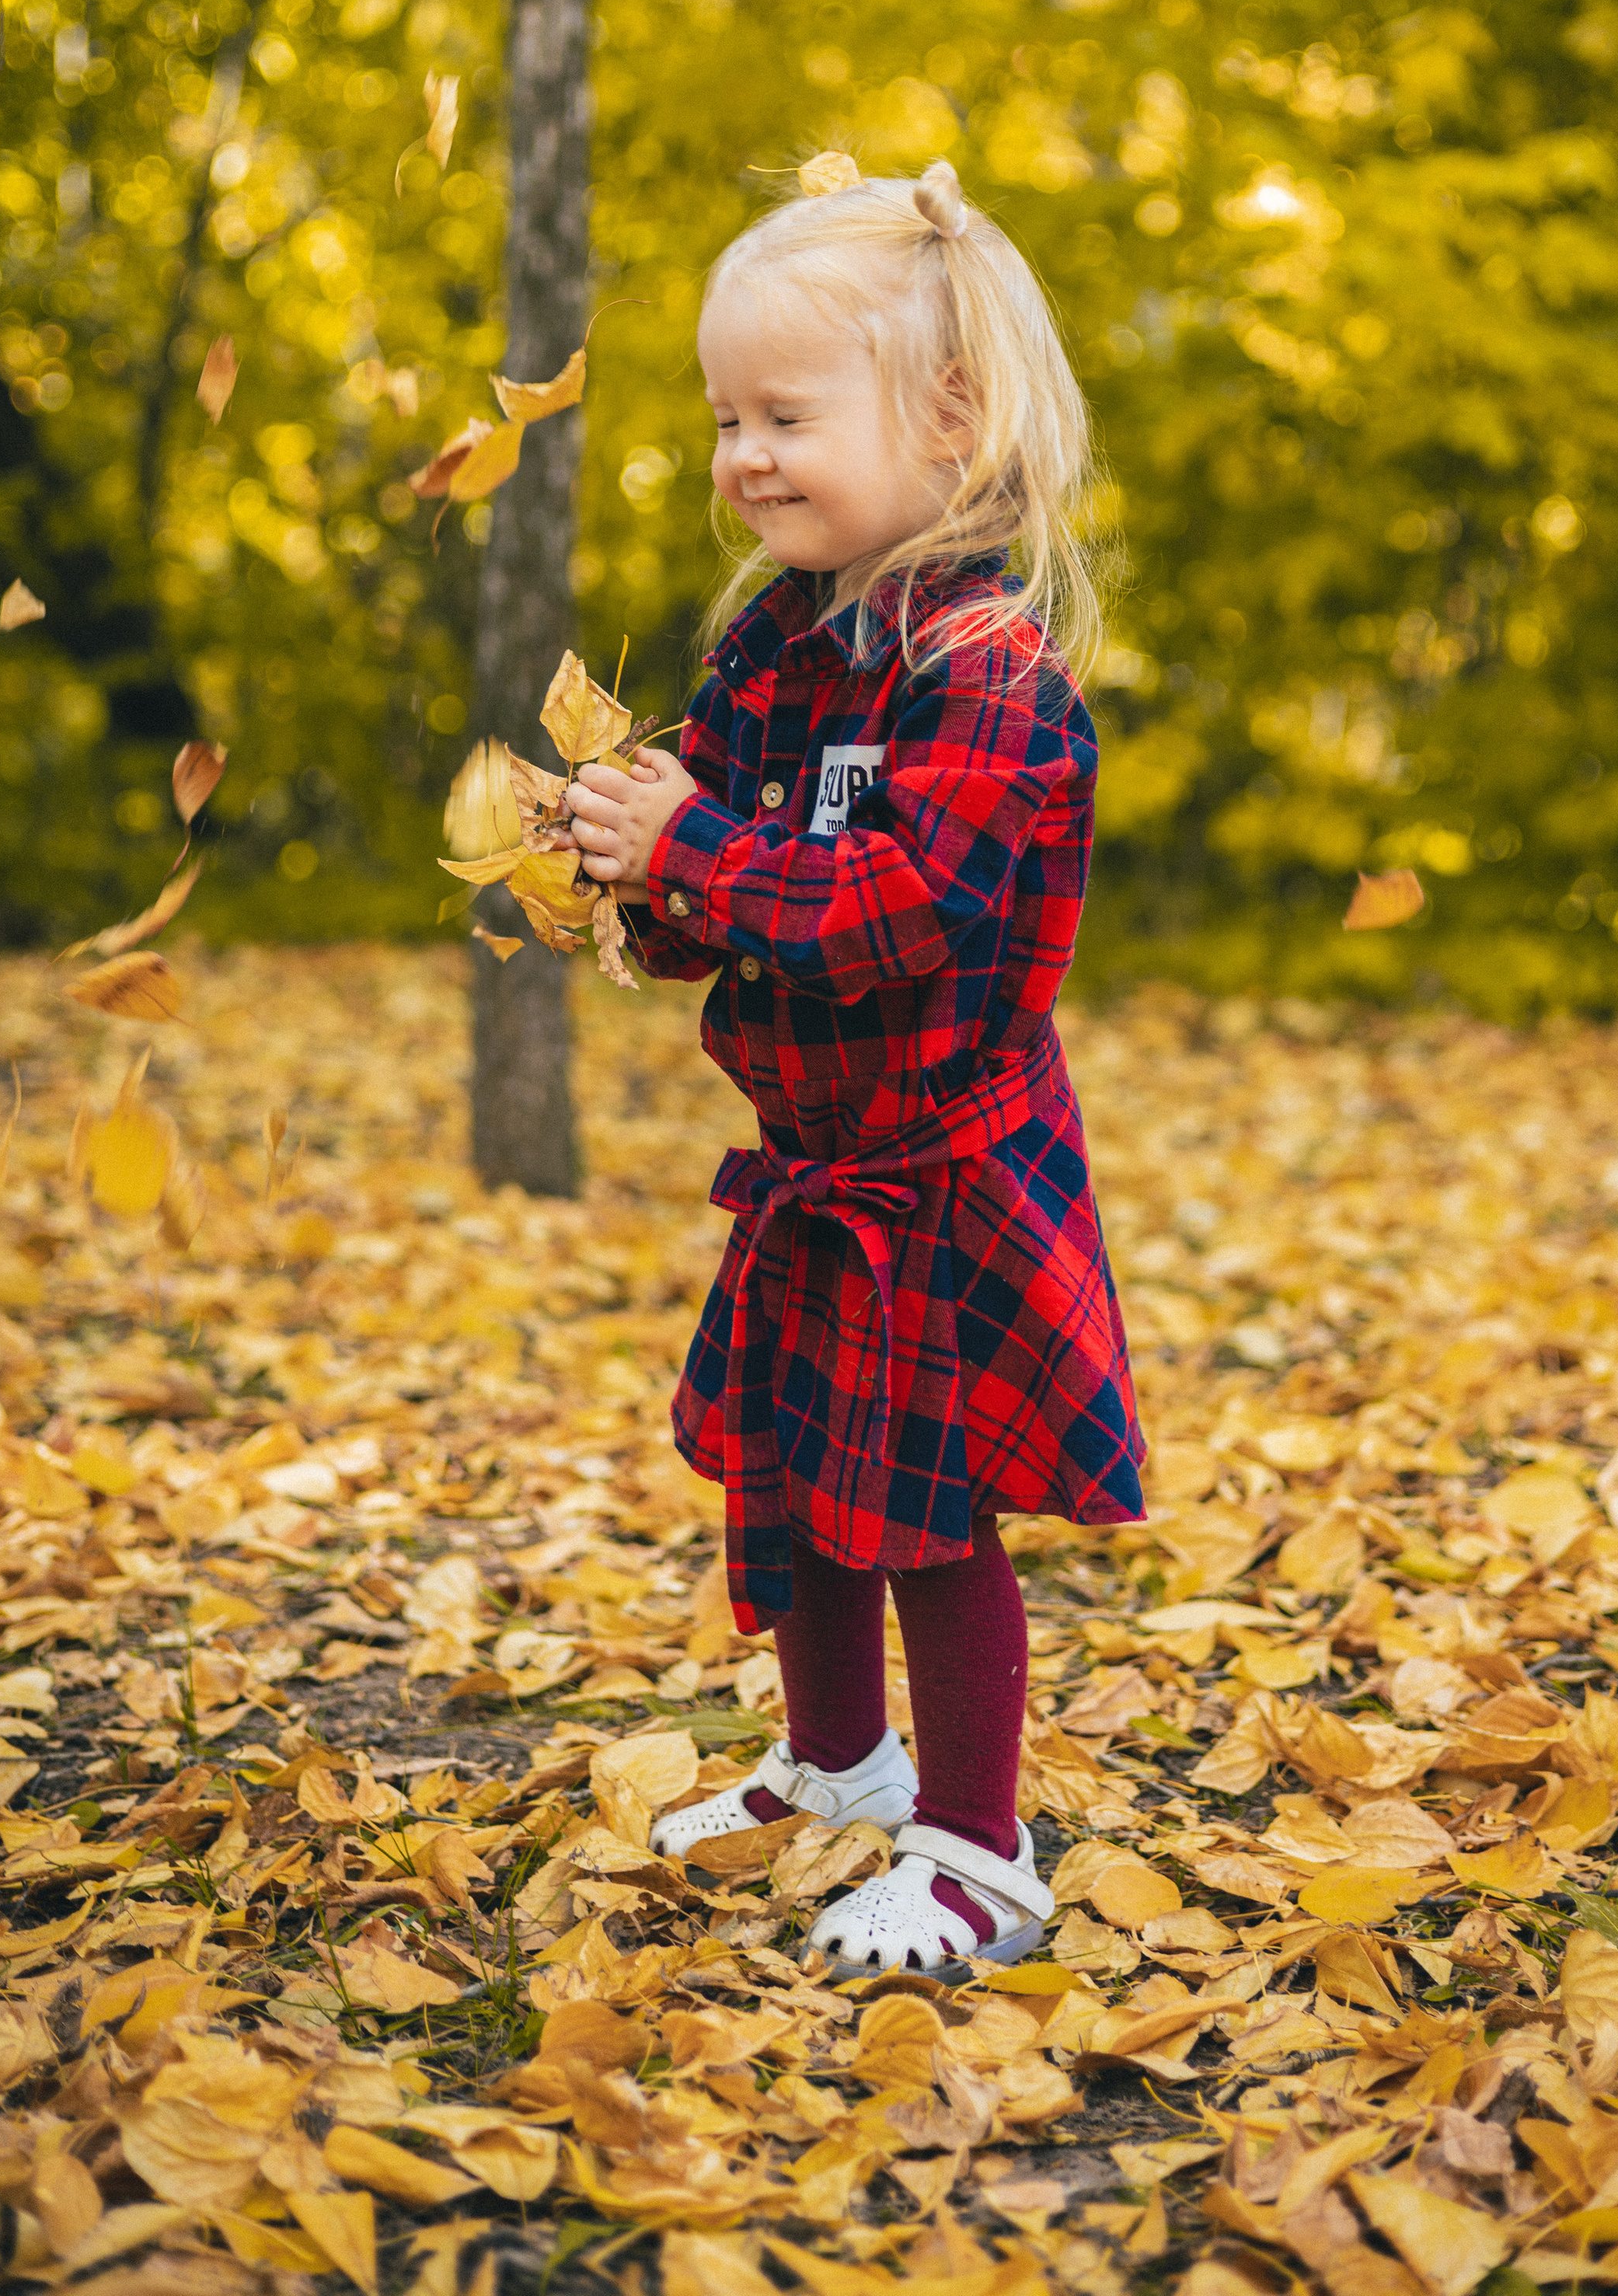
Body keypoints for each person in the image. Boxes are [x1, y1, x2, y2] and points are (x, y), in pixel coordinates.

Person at [561, 153, 1145, 1980]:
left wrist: (696, 861)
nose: (743, 453)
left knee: (927, 1517)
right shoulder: (773, 641)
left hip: (946, 1167)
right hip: (814, 1155)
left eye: (786, 415)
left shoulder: (990, 678)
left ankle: (979, 1850)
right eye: (725, 416)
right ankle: (837, 1768)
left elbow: (902, 916)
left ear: (947, 417)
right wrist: (629, 879)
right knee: (794, 1471)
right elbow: (723, 883)